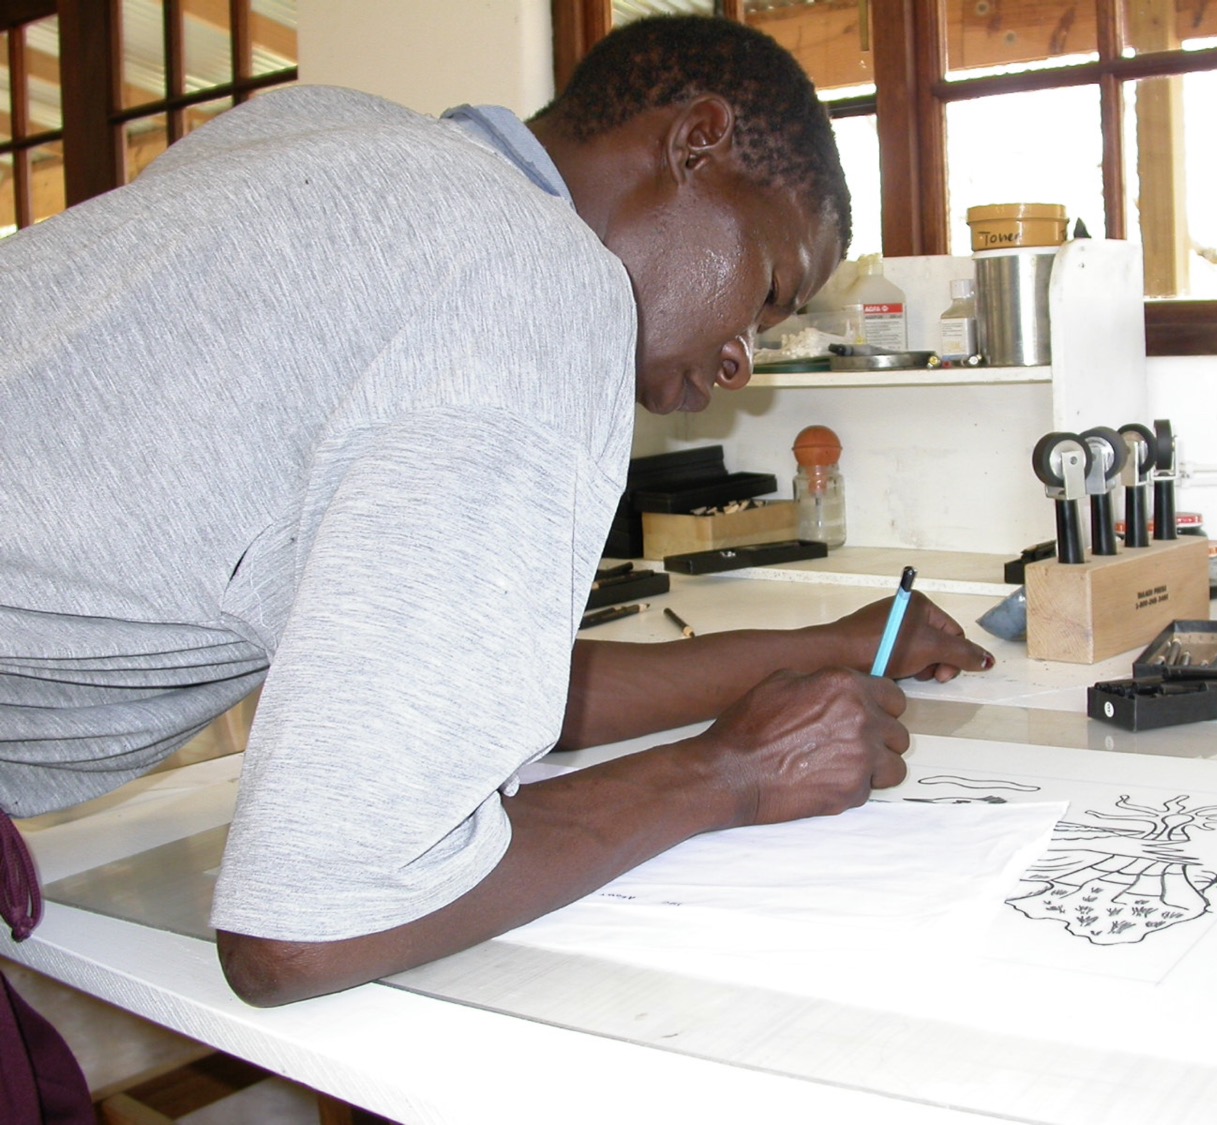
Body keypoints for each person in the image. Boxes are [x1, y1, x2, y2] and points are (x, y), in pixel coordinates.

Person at [0, 15, 993, 1009]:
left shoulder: (320, 134)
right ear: (695, 143)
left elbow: (477, 686)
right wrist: (733, 771)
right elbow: (304, 931)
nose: (742, 358)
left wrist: (834, 643)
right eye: (769, 291)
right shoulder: (538, 282)